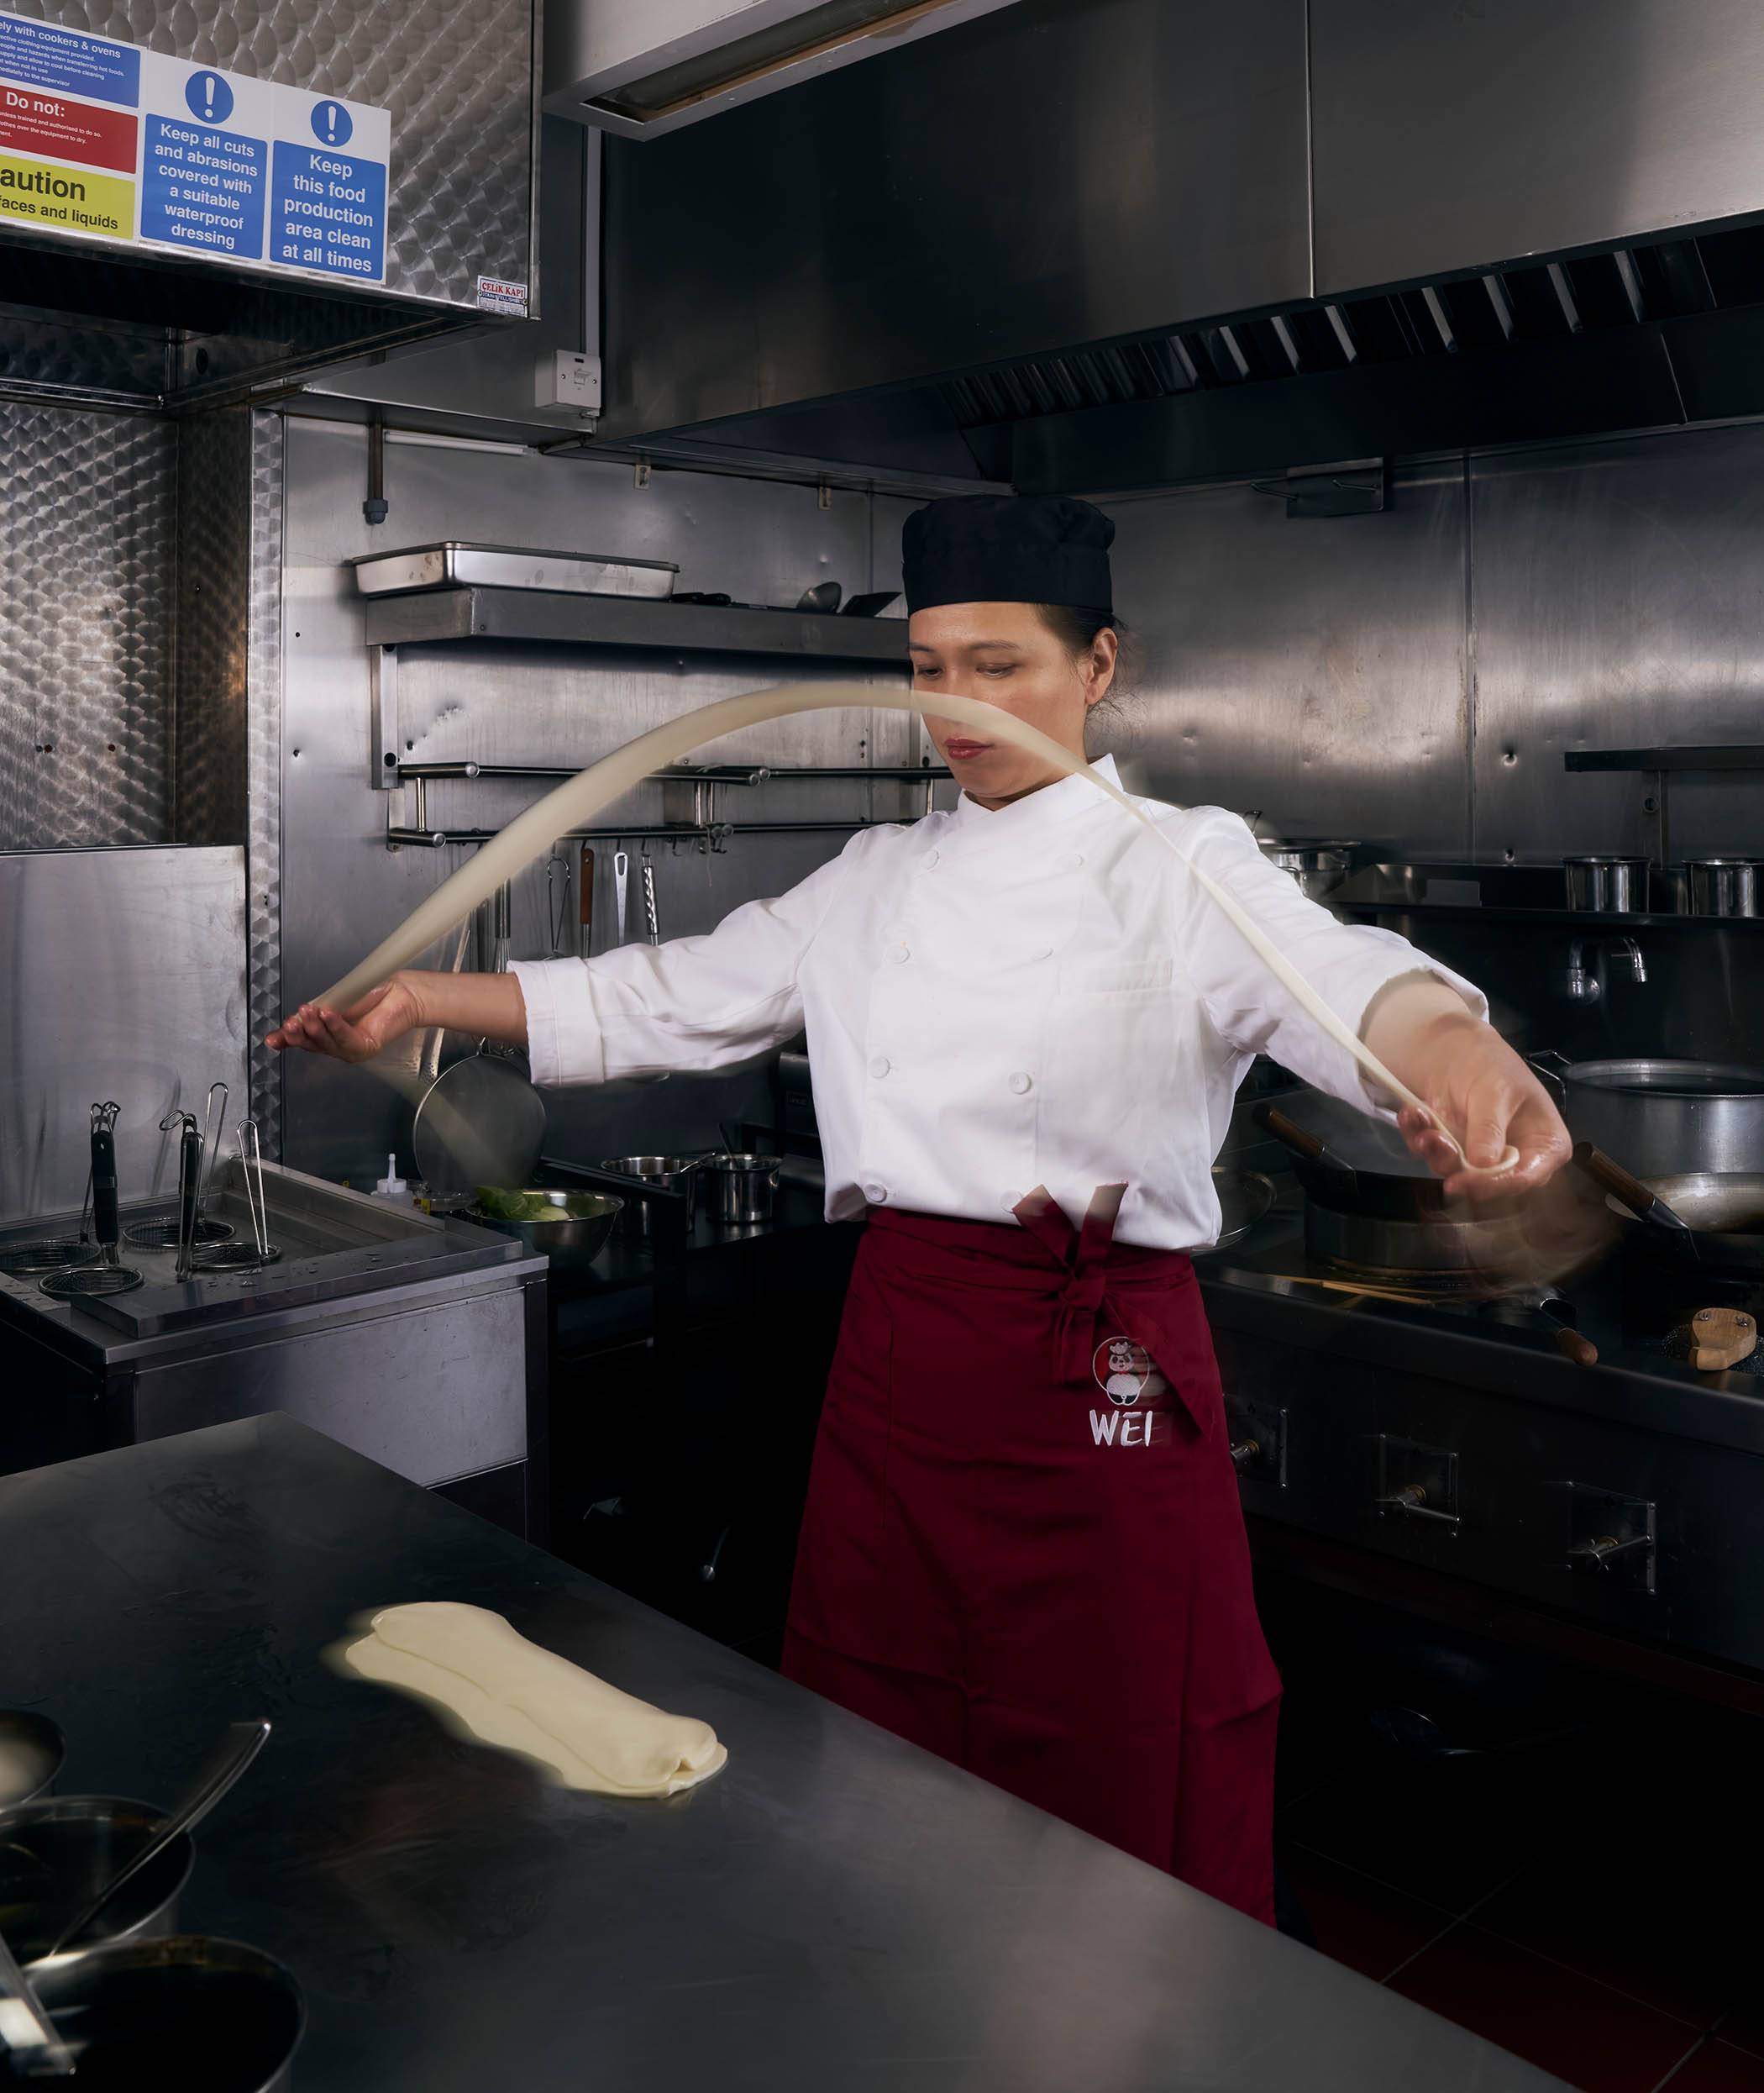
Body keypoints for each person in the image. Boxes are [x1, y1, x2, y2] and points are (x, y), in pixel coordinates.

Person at [270, 494, 1571, 1922]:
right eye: (931, 667)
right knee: (883, 1745)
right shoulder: (879, 876)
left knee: (1126, 1732)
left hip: (1096, 1370)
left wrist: (1456, 1052)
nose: (957, 705)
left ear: (1101, 667)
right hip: (902, 1357)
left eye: (999, 665)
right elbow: (676, 994)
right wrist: (420, 1003)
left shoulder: (1188, 863)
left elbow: (1343, 979)